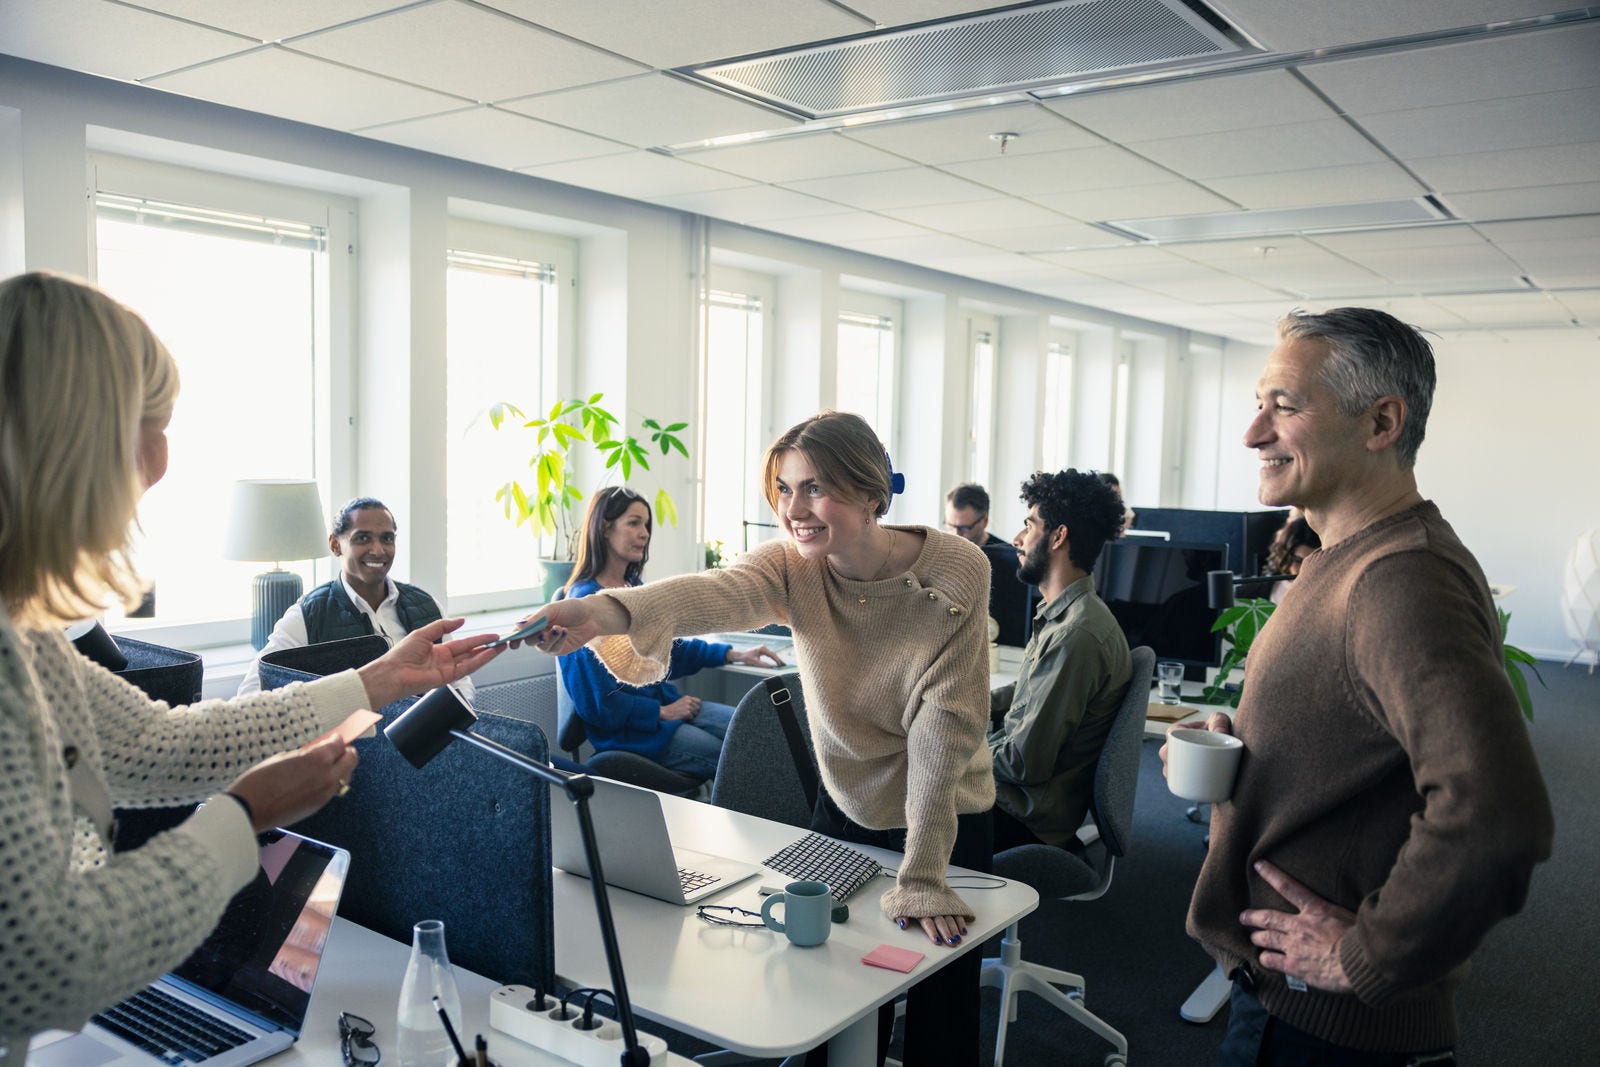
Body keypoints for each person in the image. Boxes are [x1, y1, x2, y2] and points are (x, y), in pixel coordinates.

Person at [0, 271, 501, 1051]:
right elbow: (42, 965)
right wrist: (243, 818)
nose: (162, 462)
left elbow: (157, 743)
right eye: (144, 426)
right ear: (64, 440)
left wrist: (376, 680)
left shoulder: (26, 635)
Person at [517, 412, 995, 1064]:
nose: (794, 508)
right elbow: (714, 592)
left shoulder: (957, 569)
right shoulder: (793, 565)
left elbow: (946, 729)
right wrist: (597, 612)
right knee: (833, 984)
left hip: (947, 812)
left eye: (815, 487)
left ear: (870, 490)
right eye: (784, 488)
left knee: (939, 1003)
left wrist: (923, 873)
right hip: (848, 795)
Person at [1162, 307, 1552, 1065]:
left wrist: (1365, 955)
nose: (1252, 433)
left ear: (1381, 422)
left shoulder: (1400, 578)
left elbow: (1498, 812)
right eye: (1257, 404)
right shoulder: (1341, 558)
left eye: (1284, 405)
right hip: (1291, 1007)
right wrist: (1239, 746)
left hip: (1327, 1032)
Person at [557, 486, 783, 779]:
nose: (645, 533)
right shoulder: (583, 604)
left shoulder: (633, 588)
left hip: (670, 709)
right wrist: (661, 713)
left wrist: (734, 653)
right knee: (735, 756)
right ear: (604, 528)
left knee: (758, 730)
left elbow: (669, 648)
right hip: (634, 734)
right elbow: (597, 706)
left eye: (646, 525)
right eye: (634, 522)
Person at [988, 470, 1131, 854]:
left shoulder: (1077, 635)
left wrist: (949, 751)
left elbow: (1022, 763)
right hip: (1012, 799)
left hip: (1021, 817)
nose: (1018, 540)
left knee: (883, 798)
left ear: (1058, 536)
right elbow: (1026, 695)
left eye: (1028, 525)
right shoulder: (1063, 615)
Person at [237, 497, 469, 698]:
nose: (378, 550)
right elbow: (252, 692)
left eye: (387, 538)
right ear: (335, 545)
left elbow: (459, 683)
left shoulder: (427, 605)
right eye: (363, 538)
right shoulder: (308, 616)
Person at [945, 482, 1030, 646]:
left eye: (964, 528)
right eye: (950, 526)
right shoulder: (943, 553)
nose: (956, 535)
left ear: (984, 521)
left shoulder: (1013, 561)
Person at [1264, 515, 1321, 604]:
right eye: (1298, 561)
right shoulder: (1250, 592)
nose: (1305, 569)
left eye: (1314, 562)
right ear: (1285, 556)